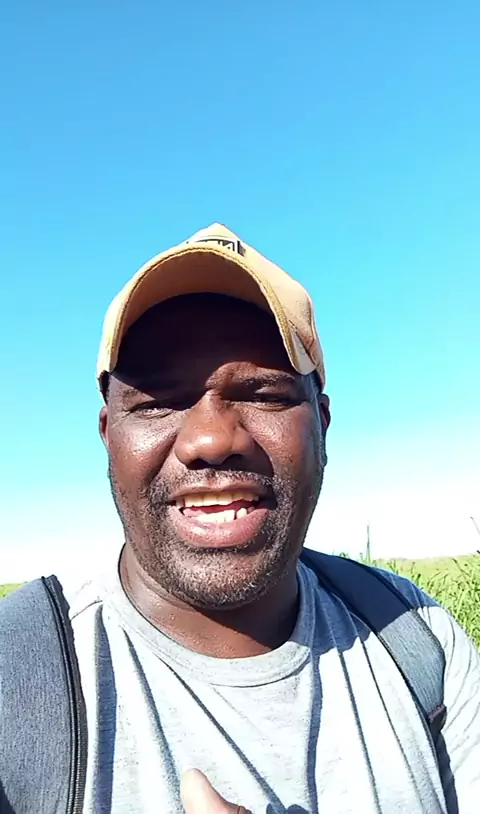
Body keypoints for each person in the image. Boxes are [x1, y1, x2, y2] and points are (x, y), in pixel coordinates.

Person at [3, 223, 480, 814]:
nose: (210, 440)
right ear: (109, 435)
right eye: (157, 403)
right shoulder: (14, 673)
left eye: (265, 395)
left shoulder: (418, 637)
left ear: (322, 424)